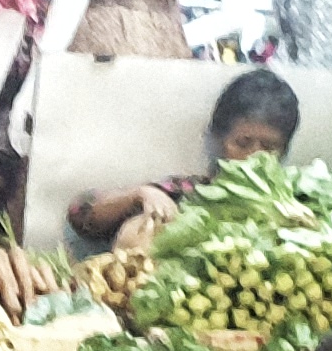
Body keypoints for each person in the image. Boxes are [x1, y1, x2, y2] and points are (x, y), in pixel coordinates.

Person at [65, 65, 302, 251]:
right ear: (219, 139)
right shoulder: (186, 193)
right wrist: (138, 194)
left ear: (283, 151)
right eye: (242, 143)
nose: (253, 157)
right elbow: (79, 212)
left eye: (269, 147)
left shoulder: (296, 208)